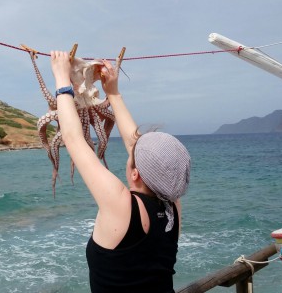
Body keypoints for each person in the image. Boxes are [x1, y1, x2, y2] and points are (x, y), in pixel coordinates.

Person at [50, 51, 191, 293]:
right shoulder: (173, 206)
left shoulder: (122, 206)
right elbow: (134, 145)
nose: (131, 151)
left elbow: (74, 140)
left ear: (135, 173)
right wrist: (113, 93)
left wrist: (62, 80)